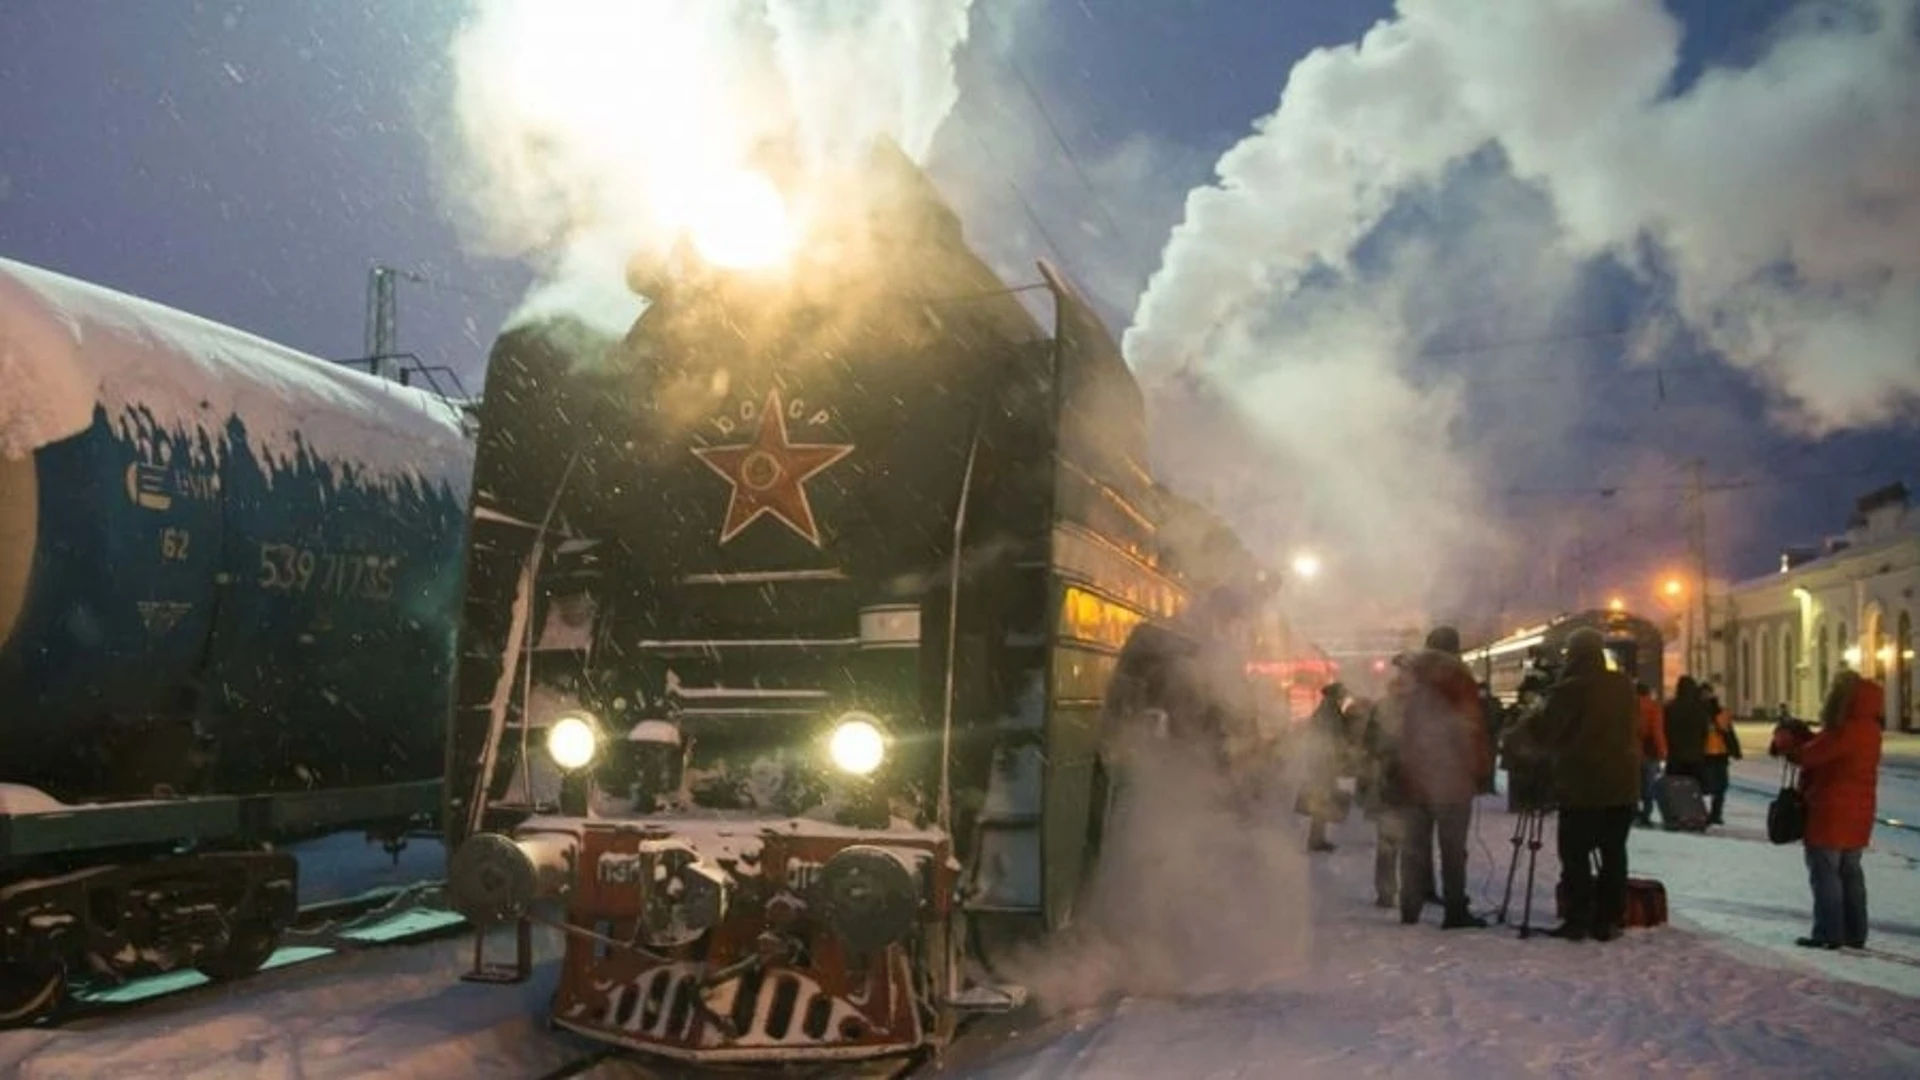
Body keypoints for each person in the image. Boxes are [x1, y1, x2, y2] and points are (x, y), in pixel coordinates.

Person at [1536, 628, 1641, 942]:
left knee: (1575, 854)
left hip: (1582, 786)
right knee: (1614, 853)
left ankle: (1579, 917)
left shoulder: (1569, 689)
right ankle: (1609, 918)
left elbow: (1546, 730)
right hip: (1622, 785)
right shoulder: (1623, 685)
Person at [1384, 626, 1492, 929]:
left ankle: (1410, 907)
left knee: (1414, 847)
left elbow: (1391, 726)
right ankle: (1455, 909)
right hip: (1452, 777)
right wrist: (1480, 769)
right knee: (1453, 849)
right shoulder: (1459, 678)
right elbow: (1471, 728)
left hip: (1412, 775)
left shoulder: (1408, 679)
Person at [1771, 670, 1883, 950]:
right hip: (1859, 811)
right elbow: (1827, 749)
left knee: (1825, 872)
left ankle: (1829, 932)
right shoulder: (1869, 729)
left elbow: (1809, 756)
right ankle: (1855, 932)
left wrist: (1791, 742)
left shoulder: (1845, 729)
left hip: (1830, 809)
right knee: (1850, 872)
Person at [1301, 683, 1348, 853]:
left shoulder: (1324, 710)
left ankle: (1317, 838)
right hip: (1324, 764)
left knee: (1321, 803)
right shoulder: (1331, 712)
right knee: (1322, 802)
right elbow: (1337, 737)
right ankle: (1316, 840)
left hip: (1320, 763)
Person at [1700, 683, 1743, 826]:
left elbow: (1729, 732)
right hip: (1707, 754)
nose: (1706, 696)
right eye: (1704, 693)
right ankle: (1709, 813)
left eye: (1708, 693)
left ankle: (1715, 814)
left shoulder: (1720, 712)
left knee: (1721, 786)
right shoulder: (1700, 711)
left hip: (1718, 753)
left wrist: (1735, 750)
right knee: (1709, 785)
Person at [1663, 675, 1711, 786]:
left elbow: (1665, 730)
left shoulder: (1670, 708)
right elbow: (1705, 732)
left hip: (1675, 758)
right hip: (1695, 758)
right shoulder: (1699, 709)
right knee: (1694, 792)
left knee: (1676, 792)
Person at [1635, 682, 1667, 826]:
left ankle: (1633, 812)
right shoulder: (1653, 707)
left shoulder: (1626, 705)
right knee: (1648, 785)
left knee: (1634, 785)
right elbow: (1656, 732)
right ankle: (1646, 815)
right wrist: (1662, 752)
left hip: (1632, 752)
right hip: (1649, 752)